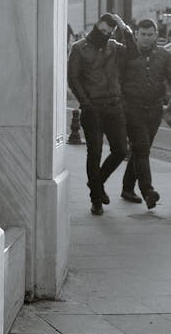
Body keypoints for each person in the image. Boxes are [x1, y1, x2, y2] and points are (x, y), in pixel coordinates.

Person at [67, 12, 138, 215]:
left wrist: (124, 28)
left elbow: (133, 54)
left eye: (109, 31)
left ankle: (96, 183)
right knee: (95, 152)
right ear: (96, 25)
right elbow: (73, 78)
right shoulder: (79, 48)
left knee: (121, 150)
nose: (104, 33)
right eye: (102, 30)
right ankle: (96, 200)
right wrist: (87, 104)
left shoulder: (114, 46)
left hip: (114, 106)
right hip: (93, 109)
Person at [119, 17, 171, 208]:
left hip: (155, 110)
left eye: (150, 35)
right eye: (143, 34)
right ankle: (148, 191)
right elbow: (118, 79)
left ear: (156, 35)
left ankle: (126, 188)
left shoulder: (164, 56)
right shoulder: (127, 54)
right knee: (142, 147)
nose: (147, 38)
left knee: (140, 149)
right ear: (137, 34)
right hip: (133, 108)